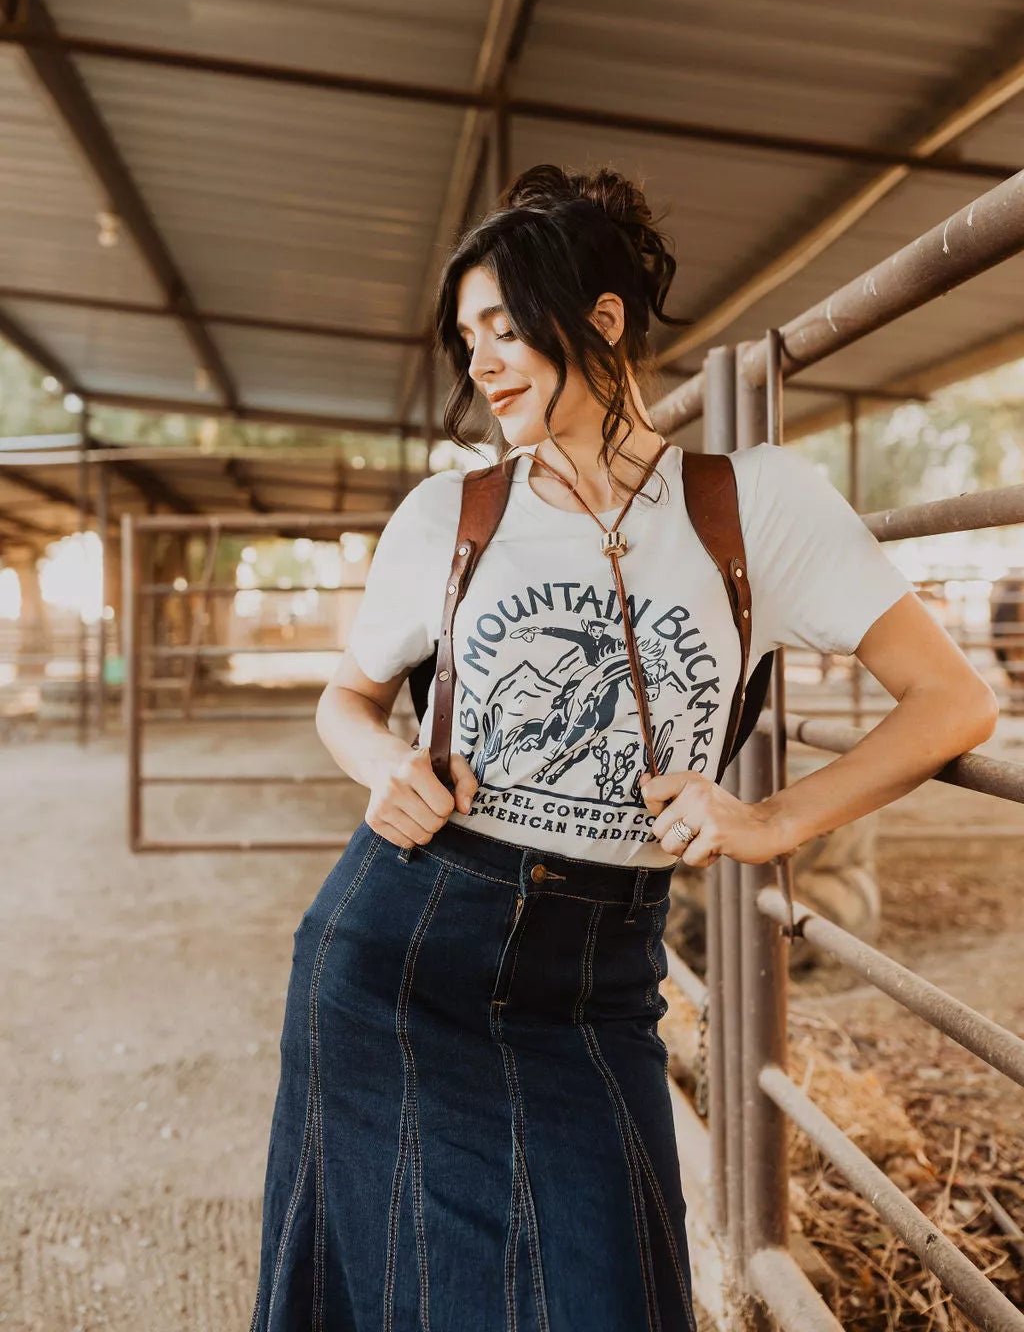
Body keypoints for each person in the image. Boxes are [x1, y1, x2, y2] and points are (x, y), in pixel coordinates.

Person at [248, 164, 998, 1332]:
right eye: (467, 339)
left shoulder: (754, 505)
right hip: (402, 954)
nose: (482, 362)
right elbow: (346, 701)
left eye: (505, 329)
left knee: (614, 1297)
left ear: (601, 320)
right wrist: (383, 768)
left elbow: (951, 701)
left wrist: (774, 820)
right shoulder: (448, 515)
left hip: (598, 984)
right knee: (396, 1297)